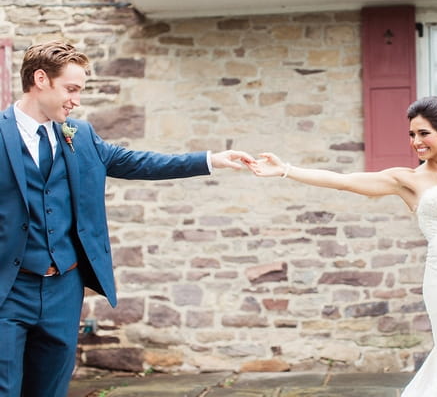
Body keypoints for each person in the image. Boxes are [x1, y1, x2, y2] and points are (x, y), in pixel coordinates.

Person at [0, 40, 254, 397]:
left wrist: (211, 159)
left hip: (63, 290)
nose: (76, 100)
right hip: (9, 289)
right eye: (70, 89)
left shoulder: (81, 135)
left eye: (80, 91)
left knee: (50, 390)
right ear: (41, 79)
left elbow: (139, 163)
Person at [251, 96, 437, 397]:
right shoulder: (406, 180)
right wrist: (285, 170)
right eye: (412, 134)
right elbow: (342, 181)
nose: (416, 141)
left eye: (423, 133)